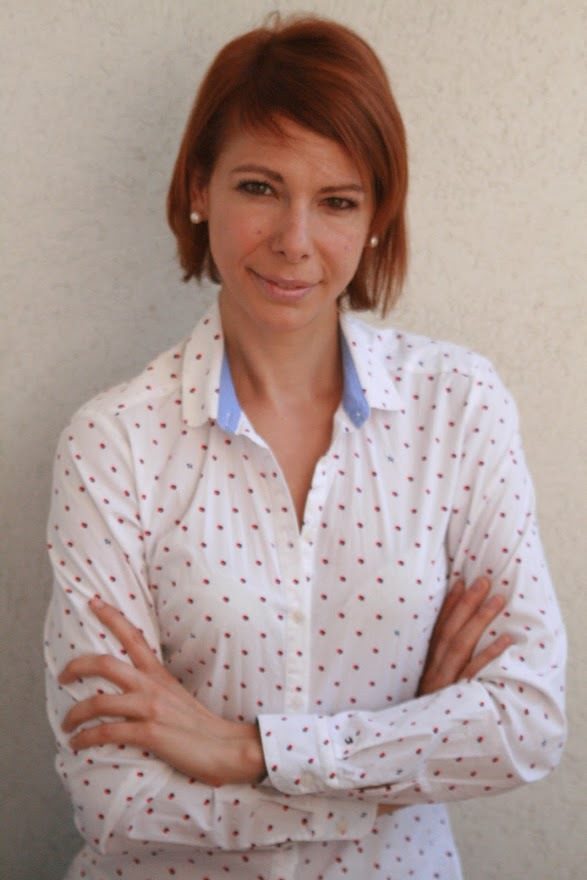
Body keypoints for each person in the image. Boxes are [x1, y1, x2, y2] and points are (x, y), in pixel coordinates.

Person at [44, 14, 566, 880]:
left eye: (336, 201)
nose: (293, 240)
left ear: (375, 217)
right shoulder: (114, 443)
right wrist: (398, 762)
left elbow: (525, 723)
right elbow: (113, 800)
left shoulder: (457, 407)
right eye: (260, 187)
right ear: (199, 186)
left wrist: (248, 750)